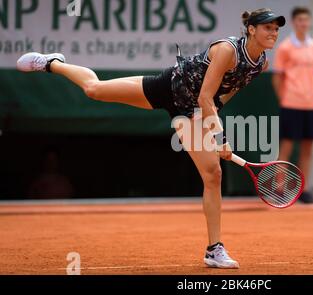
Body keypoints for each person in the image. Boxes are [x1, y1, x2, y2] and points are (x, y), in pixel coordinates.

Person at [16, 8, 285, 269]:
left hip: (192, 112)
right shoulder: (228, 50)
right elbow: (205, 95)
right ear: (251, 30)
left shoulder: (260, 64)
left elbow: (224, 92)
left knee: (213, 174)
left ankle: (214, 250)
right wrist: (220, 136)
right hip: (168, 88)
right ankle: (52, 63)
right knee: (94, 90)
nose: (273, 32)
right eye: (268, 27)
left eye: (276, 28)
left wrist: (211, 116)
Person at [272, 7, 313, 203]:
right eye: (300, 20)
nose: (303, 23)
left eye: (306, 20)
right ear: (294, 22)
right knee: (286, 146)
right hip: (291, 103)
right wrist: (285, 99)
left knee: (308, 147)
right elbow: (277, 78)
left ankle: (304, 190)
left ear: (309, 22)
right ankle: (278, 189)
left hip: (312, 104)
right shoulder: (285, 47)